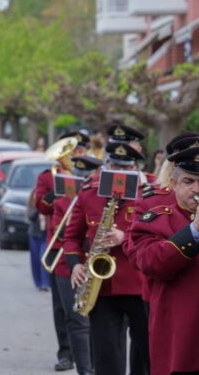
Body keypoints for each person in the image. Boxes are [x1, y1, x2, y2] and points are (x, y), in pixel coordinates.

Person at [127, 144, 199, 375]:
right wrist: (195, 229)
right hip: (180, 343)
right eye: (189, 181)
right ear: (174, 184)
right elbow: (150, 264)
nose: (198, 189)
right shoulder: (156, 219)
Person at [64, 140, 150, 375]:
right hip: (102, 287)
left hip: (141, 283)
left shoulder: (149, 193)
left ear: (134, 169)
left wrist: (125, 236)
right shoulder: (89, 192)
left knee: (148, 353)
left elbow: (159, 236)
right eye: (114, 167)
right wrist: (75, 266)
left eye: (125, 168)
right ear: (105, 167)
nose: (119, 174)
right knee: (106, 358)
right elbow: (71, 237)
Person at [35, 132, 86, 373]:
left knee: (81, 307)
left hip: (81, 246)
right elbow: (40, 206)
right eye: (71, 151)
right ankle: (65, 352)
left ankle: (85, 354)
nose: (74, 155)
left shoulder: (90, 177)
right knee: (61, 307)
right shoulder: (49, 177)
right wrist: (55, 192)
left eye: (77, 150)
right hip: (58, 249)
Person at [48, 155, 103, 375]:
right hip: (67, 265)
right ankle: (84, 368)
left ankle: (98, 364)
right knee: (77, 318)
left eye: (87, 175)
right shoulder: (63, 201)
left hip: (97, 264)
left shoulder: (102, 198)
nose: (82, 179)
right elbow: (60, 233)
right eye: (78, 174)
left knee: (99, 321)